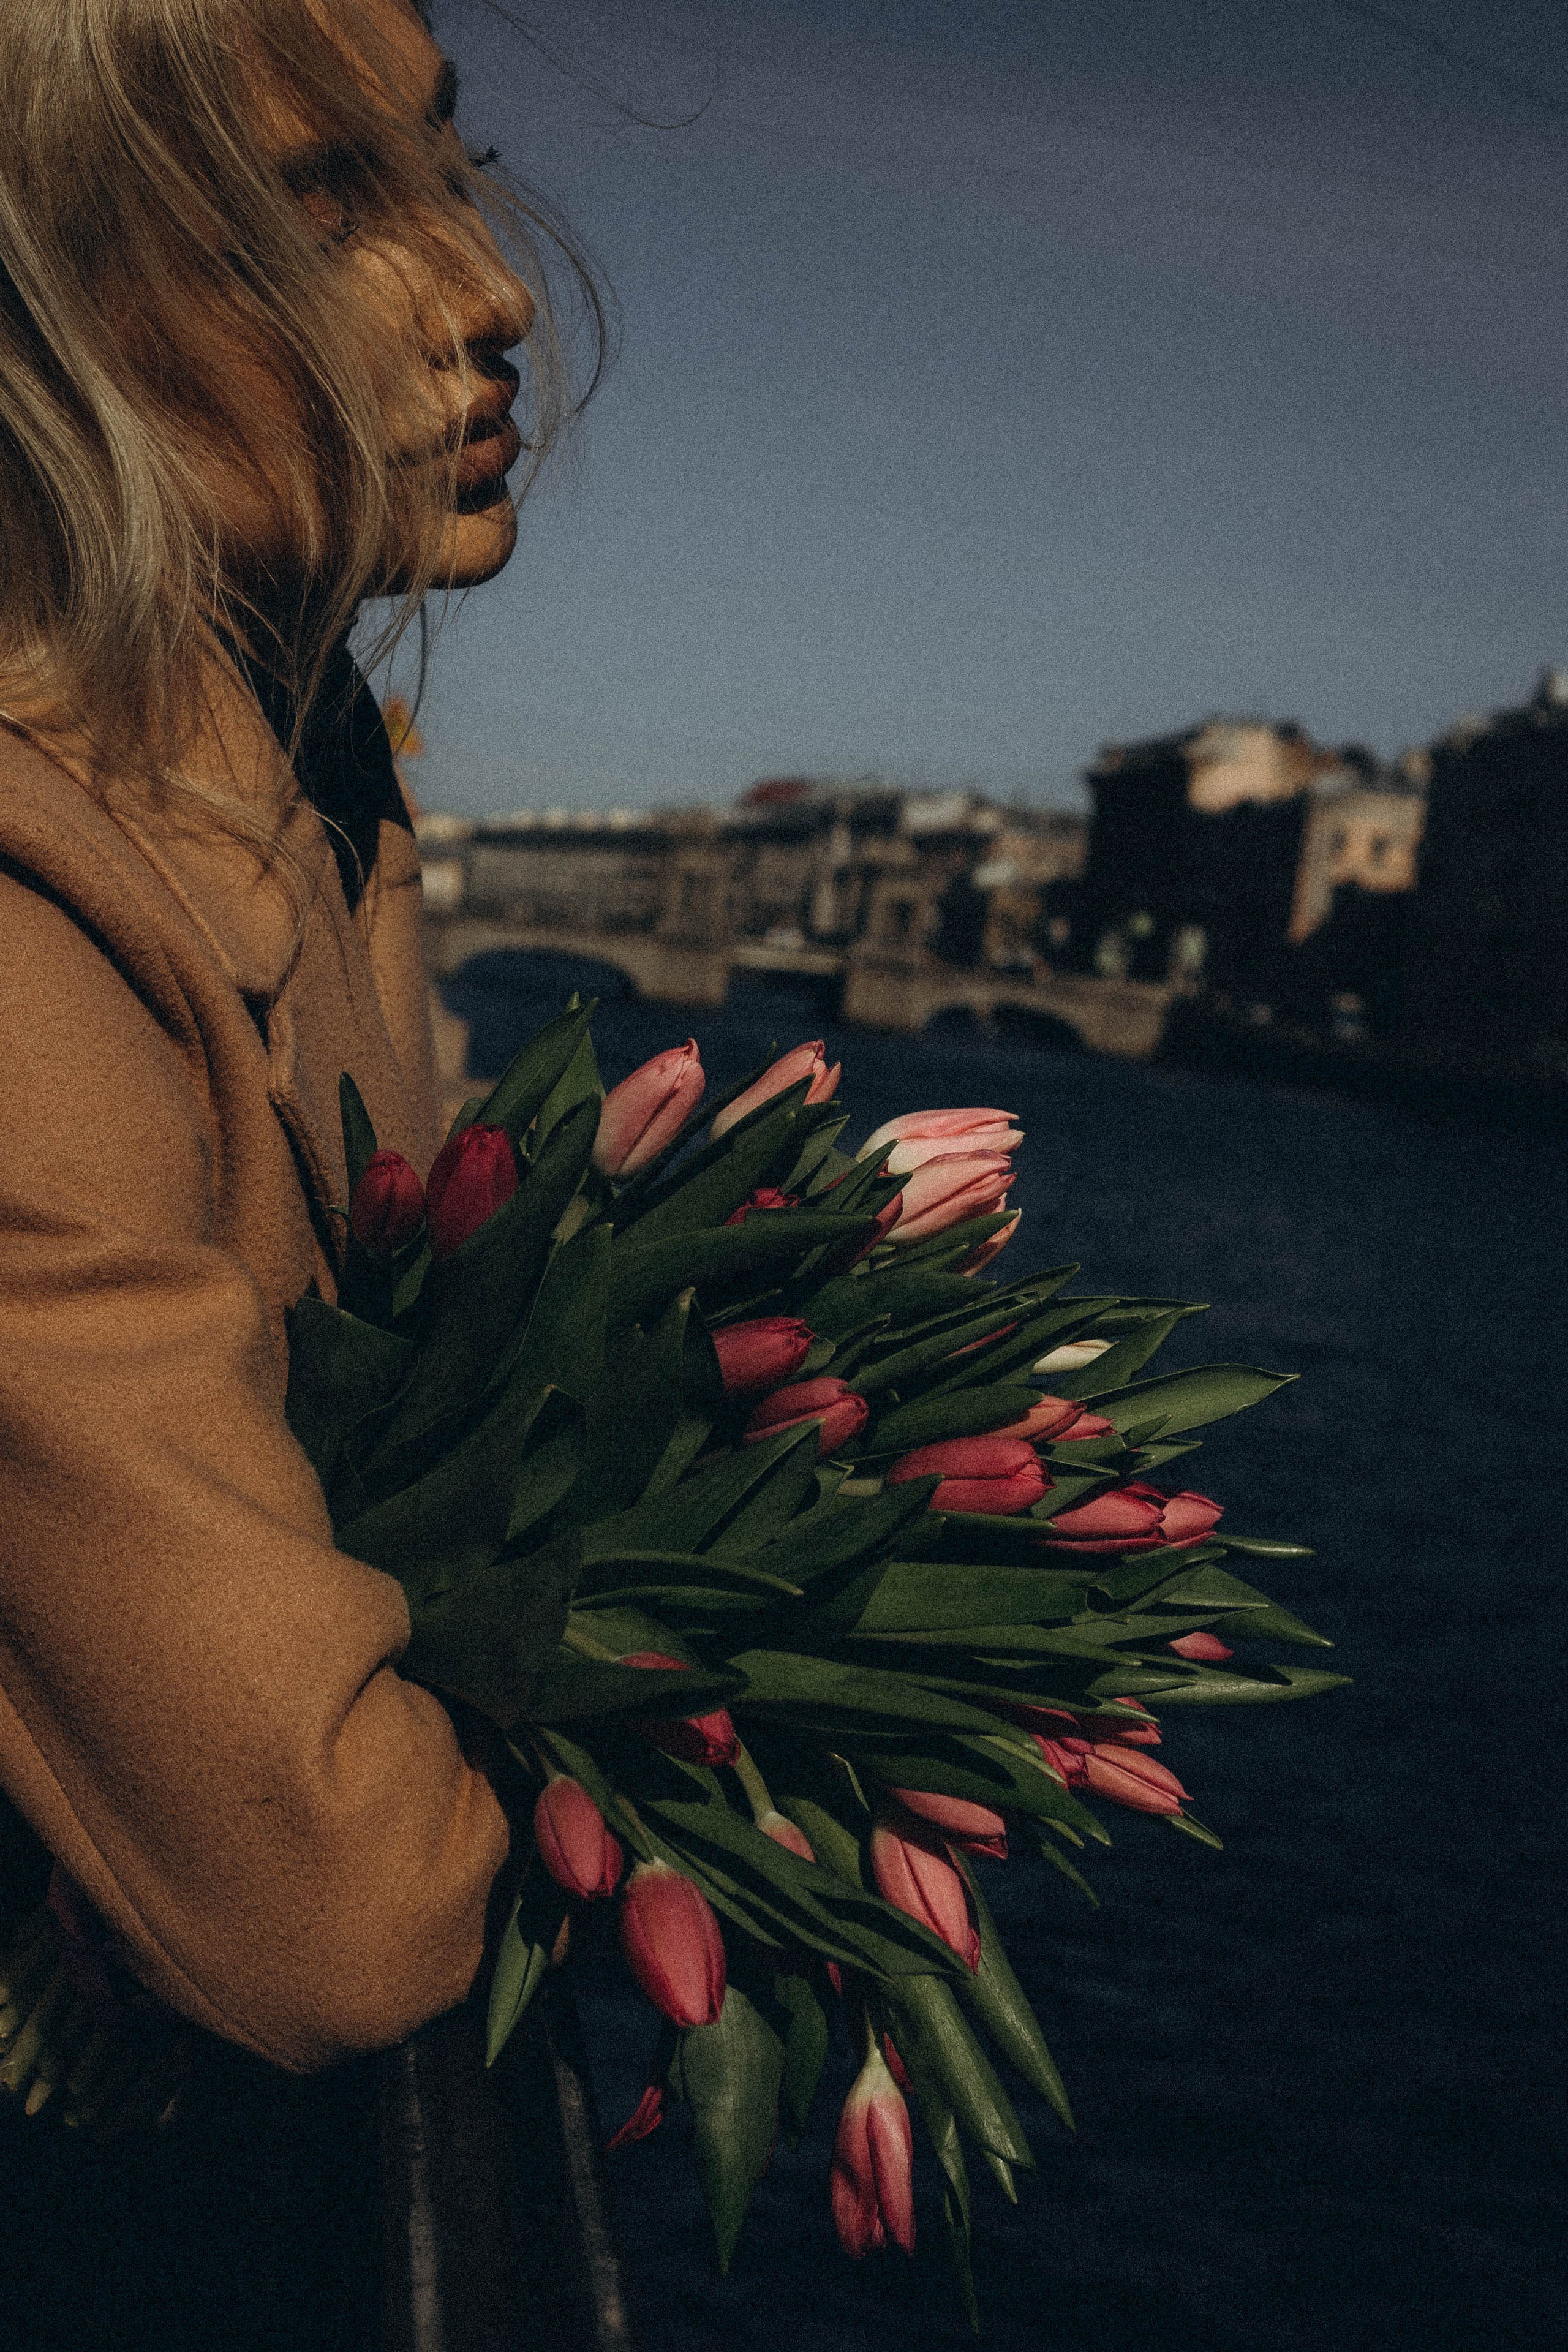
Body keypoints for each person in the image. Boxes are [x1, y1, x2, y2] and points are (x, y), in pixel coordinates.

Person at [0, 2, 597, 2340]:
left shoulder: (308, 758)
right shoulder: (40, 895)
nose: (492, 287)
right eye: (325, 204)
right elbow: (329, 1900)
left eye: (442, 165)